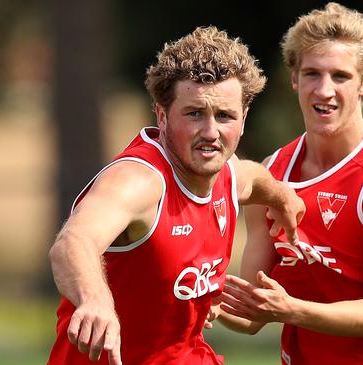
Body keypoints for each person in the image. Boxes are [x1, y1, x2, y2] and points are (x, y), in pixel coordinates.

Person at [46, 26, 305, 365]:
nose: (210, 133)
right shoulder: (139, 181)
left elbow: (253, 179)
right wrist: (95, 300)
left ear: (243, 120)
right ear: (162, 115)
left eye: (224, 116)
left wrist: (283, 197)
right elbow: (73, 242)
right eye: (194, 113)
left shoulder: (227, 174)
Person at [214, 3, 363, 364]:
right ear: (293, 78)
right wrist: (183, 296)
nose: (324, 90)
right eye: (312, 73)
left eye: (340, 76)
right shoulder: (272, 173)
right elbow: (251, 313)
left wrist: (290, 309)